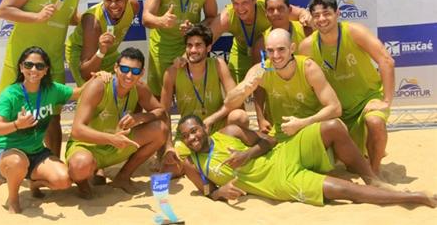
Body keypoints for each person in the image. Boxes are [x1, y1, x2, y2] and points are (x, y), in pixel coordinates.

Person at [177, 115, 436, 208]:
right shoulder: (192, 161)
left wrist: (247, 154)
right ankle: (414, 197)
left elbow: (269, 142)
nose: (191, 138)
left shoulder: (230, 132)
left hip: (283, 154)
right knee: (344, 191)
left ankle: (372, 177)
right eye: (186, 135)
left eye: (194, 131)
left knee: (333, 126)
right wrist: (218, 193)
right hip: (280, 182)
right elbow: (206, 190)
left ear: (205, 128)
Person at [0, 46, 104, 214]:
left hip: (36, 153)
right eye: (28, 65)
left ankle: (35, 183)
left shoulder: (52, 90)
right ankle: (13, 199)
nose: (34, 70)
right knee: (17, 162)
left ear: (46, 70)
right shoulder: (10, 94)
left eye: (39, 66)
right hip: (5, 154)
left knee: (63, 181)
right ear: (21, 67)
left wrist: (98, 77)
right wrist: (17, 125)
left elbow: (79, 93)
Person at [0, 0, 83, 157]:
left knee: (52, 117)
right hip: (20, 62)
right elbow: (3, 10)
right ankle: (3, 168)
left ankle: (52, 161)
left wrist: (92, 21)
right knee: (9, 116)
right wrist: (36, 17)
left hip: (51, 64)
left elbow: (69, 18)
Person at [299, 0, 395, 174]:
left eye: (326, 13)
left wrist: (387, 101)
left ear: (337, 13)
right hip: (337, 110)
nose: (322, 19)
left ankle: (374, 176)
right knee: (348, 166)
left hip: (367, 100)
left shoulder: (354, 32)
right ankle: (366, 152)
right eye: (317, 15)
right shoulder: (306, 46)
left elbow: (386, 60)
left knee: (375, 121)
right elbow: (304, 82)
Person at [66, 47, 168, 197]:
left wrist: (141, 117)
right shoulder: (99, 86)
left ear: (142, 73)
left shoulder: (139, 88)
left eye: (135, 71)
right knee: (79, 165)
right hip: (90, 145)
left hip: (118, 144)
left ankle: (123, 177)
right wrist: (112, 139)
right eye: (125, 69)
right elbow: (77, 130)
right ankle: (83, 184)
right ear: (115, 68)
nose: (129, 75)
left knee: (161, 130)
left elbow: (161, 112)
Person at [160, 24, 248, 175]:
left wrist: (211, 119)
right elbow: (163, 112)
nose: (193, 50)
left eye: (198, 45)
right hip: (190, 133)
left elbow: (237, 100)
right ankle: (207, 157)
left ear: (208, 47)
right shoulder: (172, 72)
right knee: (170, 171)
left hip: (217, 127)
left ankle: (212, 155)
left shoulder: (218, 64)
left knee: (240, 116)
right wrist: (168, 146)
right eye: (189, 45)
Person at [225, 28, 341, 139]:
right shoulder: (261, 70)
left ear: (292, 48)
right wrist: (244, 90)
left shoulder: (308, 68)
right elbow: (228, 103)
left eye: (281, 49)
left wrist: (302, 123)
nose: (275, 56)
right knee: (235, 117)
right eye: (270, 50)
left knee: (337, 127)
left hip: (310, 129)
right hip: (279, 133)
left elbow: (335, 108)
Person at [142, 0, 217, 97]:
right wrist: (161, 21)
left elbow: (211, 18)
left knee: (190, 95)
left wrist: (195, 28)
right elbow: (145, 18)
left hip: (189, 49)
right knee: (159, 98)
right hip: (161, 48)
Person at [209, 0, 311, 84]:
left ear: (254, 0)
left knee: (267, 86)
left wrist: (306, 17)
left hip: (269, 52)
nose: (240, 8)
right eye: (236, 3)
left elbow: (300, 13)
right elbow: (207, 38)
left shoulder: (269, 6)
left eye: (245, 3)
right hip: (242, 53)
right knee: (237, 90)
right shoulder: (227, 16)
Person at [251, 0, 313, 127]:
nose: (276, 13)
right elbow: (258, 86)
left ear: (289, 10)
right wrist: (261, 118)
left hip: (310, 110)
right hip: (279, 115)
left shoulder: (307, 31)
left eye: (280, 8)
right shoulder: (261, 43)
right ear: (266, 14)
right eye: (271, 10)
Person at [66, 0, 139, 86]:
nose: (113, 5)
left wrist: (104, 50)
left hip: (109, 52)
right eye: (108, 0)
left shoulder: (133, 5)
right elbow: (86, 73)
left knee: (129, 86)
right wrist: (101, 52)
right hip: (83, 55)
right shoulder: (93, 22)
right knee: (94, 89)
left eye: (118, 0)